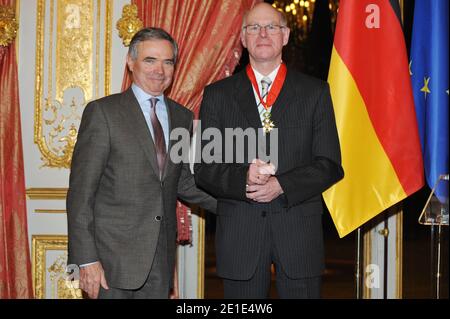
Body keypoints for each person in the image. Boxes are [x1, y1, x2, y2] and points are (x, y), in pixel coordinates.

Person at [194, 3, 344, 299]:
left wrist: (281, 185)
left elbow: (329, 164)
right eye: (254, 28)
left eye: (271, 27)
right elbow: (205, 169)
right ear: (243, 38)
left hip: (298, 236)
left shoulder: (316, 92)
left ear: (285, 36)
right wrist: (243, 179)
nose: (263, 34)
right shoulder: (217, 95)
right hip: (240, 237)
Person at [67, 27, 216, 299]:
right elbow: (81, 194)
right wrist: (86, 260)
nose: (160, 69)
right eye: (150, 60)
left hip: (159, 261)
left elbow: (181, 180)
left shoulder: (182, 116)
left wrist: (238, 201)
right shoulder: (103, 112)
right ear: (131, 62)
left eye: (167, 61)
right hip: (109, 264)